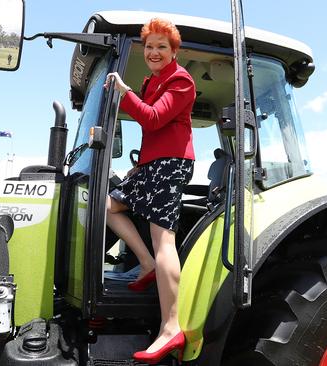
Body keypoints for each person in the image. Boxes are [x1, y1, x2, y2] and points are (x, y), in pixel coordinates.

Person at [104, 18, 195, 364]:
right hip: (152, 163)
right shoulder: (151, 80)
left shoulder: (181, 80)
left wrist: (124, 92)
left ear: (173, 51)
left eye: (162, 46)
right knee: (108, 206)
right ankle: (144, 264)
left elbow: (154, 119)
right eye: (150, 46)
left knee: (164, 239)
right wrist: (140, 164)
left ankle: (171, 327)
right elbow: (148, 128)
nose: (154, 52)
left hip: (171, 163)